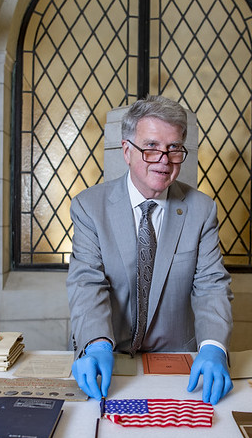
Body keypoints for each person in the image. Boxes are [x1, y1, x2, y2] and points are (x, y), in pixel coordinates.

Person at [67, 95, 234, 405]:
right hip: (108, 358)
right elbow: (87, 283)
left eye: (174, 149)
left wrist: (213, 347)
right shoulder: (89, 207)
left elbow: (211, 285)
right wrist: (97, 345)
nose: (164, 159)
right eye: (151, 147)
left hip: (175, 367)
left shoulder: (201, 209)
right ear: (127, 151)